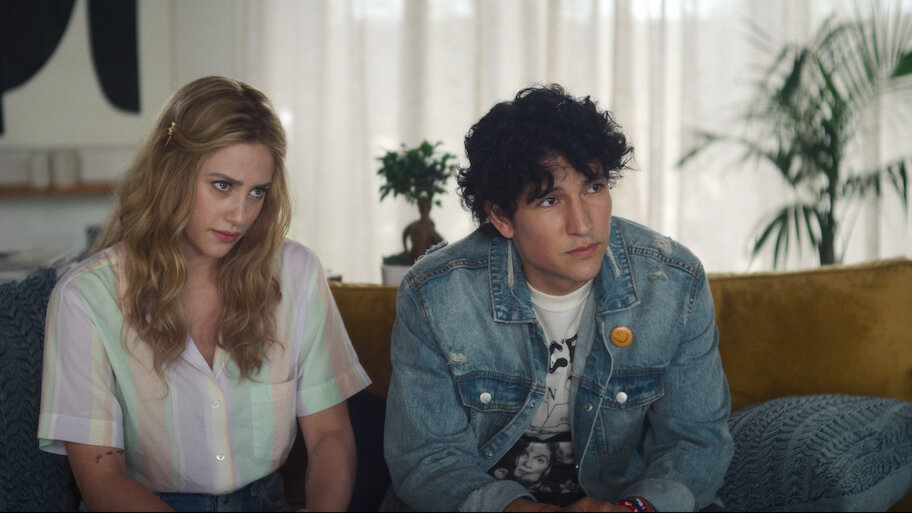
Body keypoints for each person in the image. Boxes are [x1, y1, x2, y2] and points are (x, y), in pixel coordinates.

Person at [382, 84, 734, 512]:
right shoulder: (435, 295)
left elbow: (696, 442)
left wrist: (635, 509)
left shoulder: (674, 283)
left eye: (594, 187)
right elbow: (428, 457)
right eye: (550, 200)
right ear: (501, 217)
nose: (583, 224)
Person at [37, 76, 370, 512]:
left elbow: (330, 435)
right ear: (171, 174)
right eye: (222, 185)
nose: (241, 215)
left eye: (257, 192)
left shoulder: (297, 273)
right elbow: (102, 479)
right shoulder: (84, 298)